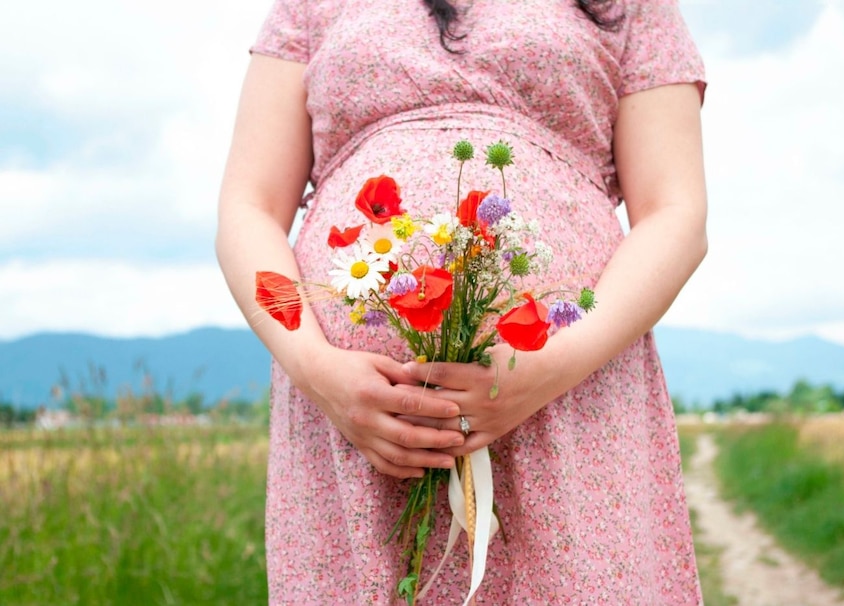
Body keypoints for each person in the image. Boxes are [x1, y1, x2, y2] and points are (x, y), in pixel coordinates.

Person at [216, 0, 708, 603]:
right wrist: (316, 368)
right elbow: (249, 211)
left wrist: (545, 367)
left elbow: (676, 215)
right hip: (352, 428)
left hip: (567, 396)